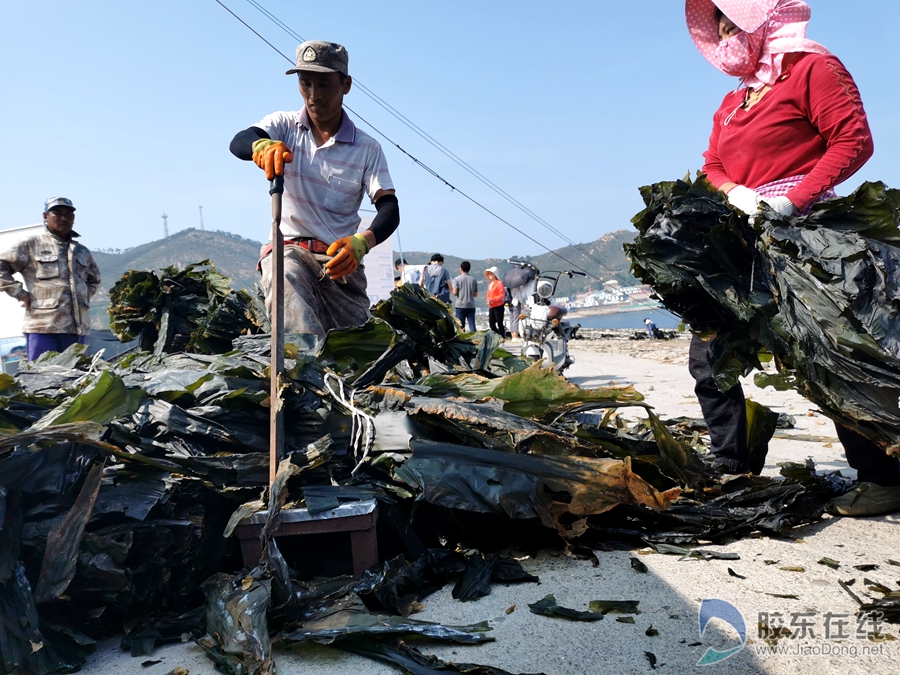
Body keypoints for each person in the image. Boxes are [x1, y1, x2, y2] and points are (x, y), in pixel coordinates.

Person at [684, 0, 898, 515]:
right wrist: (732, 189)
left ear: (764, 18)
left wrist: (791, 198)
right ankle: (732, 463)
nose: (727, 33)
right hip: (744, 239)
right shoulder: (735, 99)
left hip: (809, 235)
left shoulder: (811, 67)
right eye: (720, 27)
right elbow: (712, 161)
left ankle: (883, 477)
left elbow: (854, 140)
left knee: (834, 357)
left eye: (733, 20)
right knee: (709, 356)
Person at [229, 40, 400, 338]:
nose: (313, 94)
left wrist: (362, 243)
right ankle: (303, 376)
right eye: (305, 83)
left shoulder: (368, 149)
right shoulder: (283, 126)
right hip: (291, 251)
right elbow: (240, 140)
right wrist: (260, 145)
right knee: (288, 286)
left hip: (339, 263)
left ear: (346, 85)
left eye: (324, 84)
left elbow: (389, 208)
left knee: (357, 354)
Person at [0, 197, 100, 361]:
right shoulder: (31, 244)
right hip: (43, 327)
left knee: (77, 380)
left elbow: (94, 280)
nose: (63, 218)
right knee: (42, 379)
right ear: (45, 216)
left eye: (68, 214)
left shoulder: (81, 251)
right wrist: (20, 293)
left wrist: (81, 298)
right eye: (57, 213)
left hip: (78, 330)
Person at [452, 261, 478, 332]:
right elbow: (475, 294)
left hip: (460, 305)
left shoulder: (456, 279)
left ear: (461, 269)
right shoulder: (473, 280)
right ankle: (475, 340)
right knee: (472, 325)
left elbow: (454, 292)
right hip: (471, 305)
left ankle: (462, 342)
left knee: (460, 327)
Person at [484, 267, 506, 336]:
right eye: (488, 274)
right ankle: (497, 336)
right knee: (491, 324)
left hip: (498, 306)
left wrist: (493, 299)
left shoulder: (499, 283)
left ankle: (502, 337)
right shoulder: (489, 284)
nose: (489, 275)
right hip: (491, 306)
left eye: (491, 274)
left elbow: (502, 296)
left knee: (500, 323)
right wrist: (487, 300)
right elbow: (488, 295)